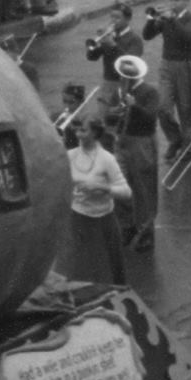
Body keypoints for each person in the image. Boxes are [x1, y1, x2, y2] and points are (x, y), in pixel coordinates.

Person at [57, 113, 131, 284]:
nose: (78, 133)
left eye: (83, 130)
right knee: (76, 270)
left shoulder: (107, 159)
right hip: (77, 220)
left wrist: (103, 188)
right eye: (77, 130)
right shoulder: (71, 156)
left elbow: (126, 192)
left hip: (103, 222)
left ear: (94, 134)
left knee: (105, 274)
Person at [107, 55, 160, 255]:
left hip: (141, 143)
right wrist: (113, 112)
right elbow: (109, 117)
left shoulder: (149, 92)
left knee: (143, 188)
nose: (122, 80)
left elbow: (151, 117)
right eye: (121, 76)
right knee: (120, 185)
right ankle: (127, 225)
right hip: (122, 140)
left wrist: (134, 105)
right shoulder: (120, 91)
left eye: (125, 77)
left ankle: (146, 233)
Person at [143, 0, 191, 150]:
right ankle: (175, 139)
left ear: (186, 2)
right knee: (162, 107)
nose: (173, 3)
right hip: (166, 64)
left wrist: (172, 19)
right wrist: (152, 20)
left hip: (184, 65)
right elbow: (147, 35)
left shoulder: (190, 18)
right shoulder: (166, 19)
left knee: (186, 108)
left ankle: (187, 146)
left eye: (177, 0)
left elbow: (189, 38)